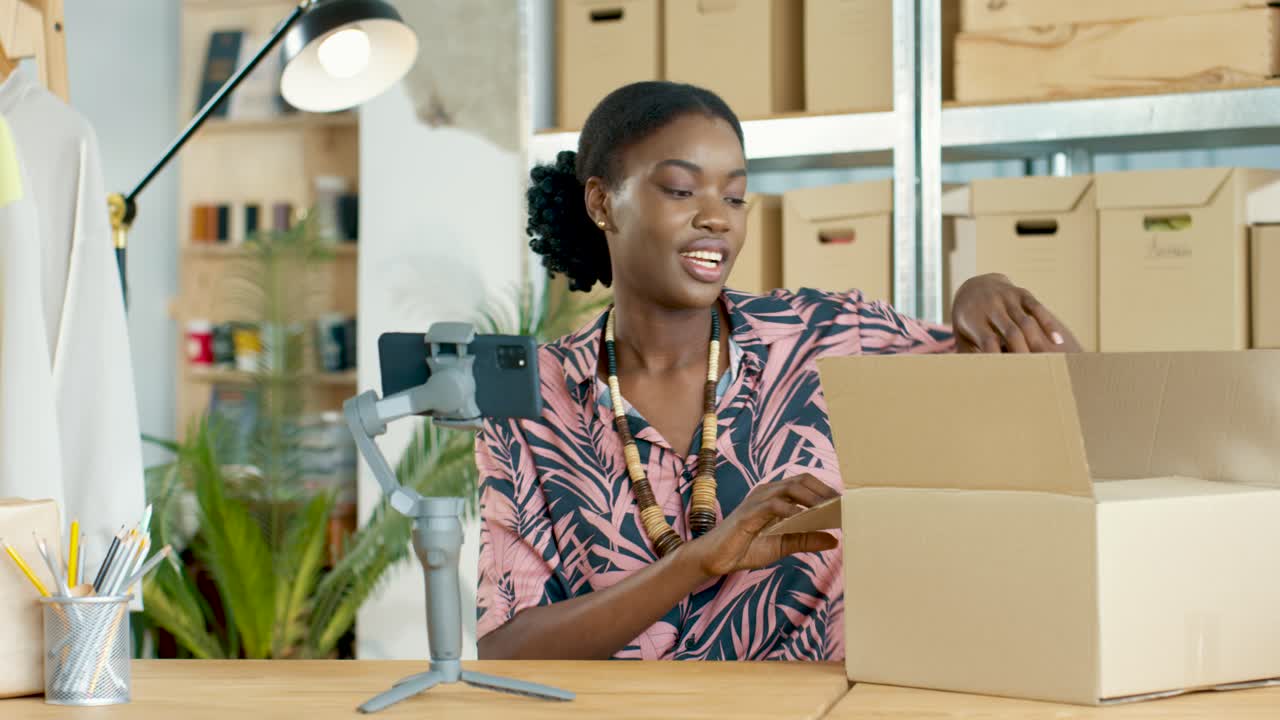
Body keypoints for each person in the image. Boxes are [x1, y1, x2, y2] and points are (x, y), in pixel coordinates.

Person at [475, 81, 1081, 662]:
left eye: (735, 196)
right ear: (602, 202)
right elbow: (504, 650)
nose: (717, 218)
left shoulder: (832, 337)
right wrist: (698, 561)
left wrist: (987, 291)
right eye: (682, 190)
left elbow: (1071, 401)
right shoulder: (532, 399)